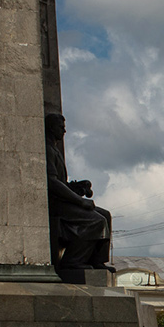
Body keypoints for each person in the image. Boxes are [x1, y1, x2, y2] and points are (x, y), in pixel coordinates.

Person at [45, 114, 113, 270]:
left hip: (65, 201)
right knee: (95, 220)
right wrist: (79, 200)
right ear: (51, 128)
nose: (64, 131)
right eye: (61, 127)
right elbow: (52, 183)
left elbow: (61, 183)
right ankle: (72, 260)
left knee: (105, 215)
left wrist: (78, 187)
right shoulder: (47, 151)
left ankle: (97, 260)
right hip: (56, 204)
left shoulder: (55, 150)